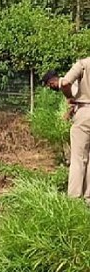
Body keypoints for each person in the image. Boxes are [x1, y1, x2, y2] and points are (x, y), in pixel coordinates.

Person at [43, 66, 90, 202]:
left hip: (84, 117)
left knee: (78, 159)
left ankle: (73, 198)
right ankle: (88, 197)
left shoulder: (71, 79)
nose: (49, 88)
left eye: (48, 85)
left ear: (51, 82)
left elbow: (74, 97)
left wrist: (69, 101)